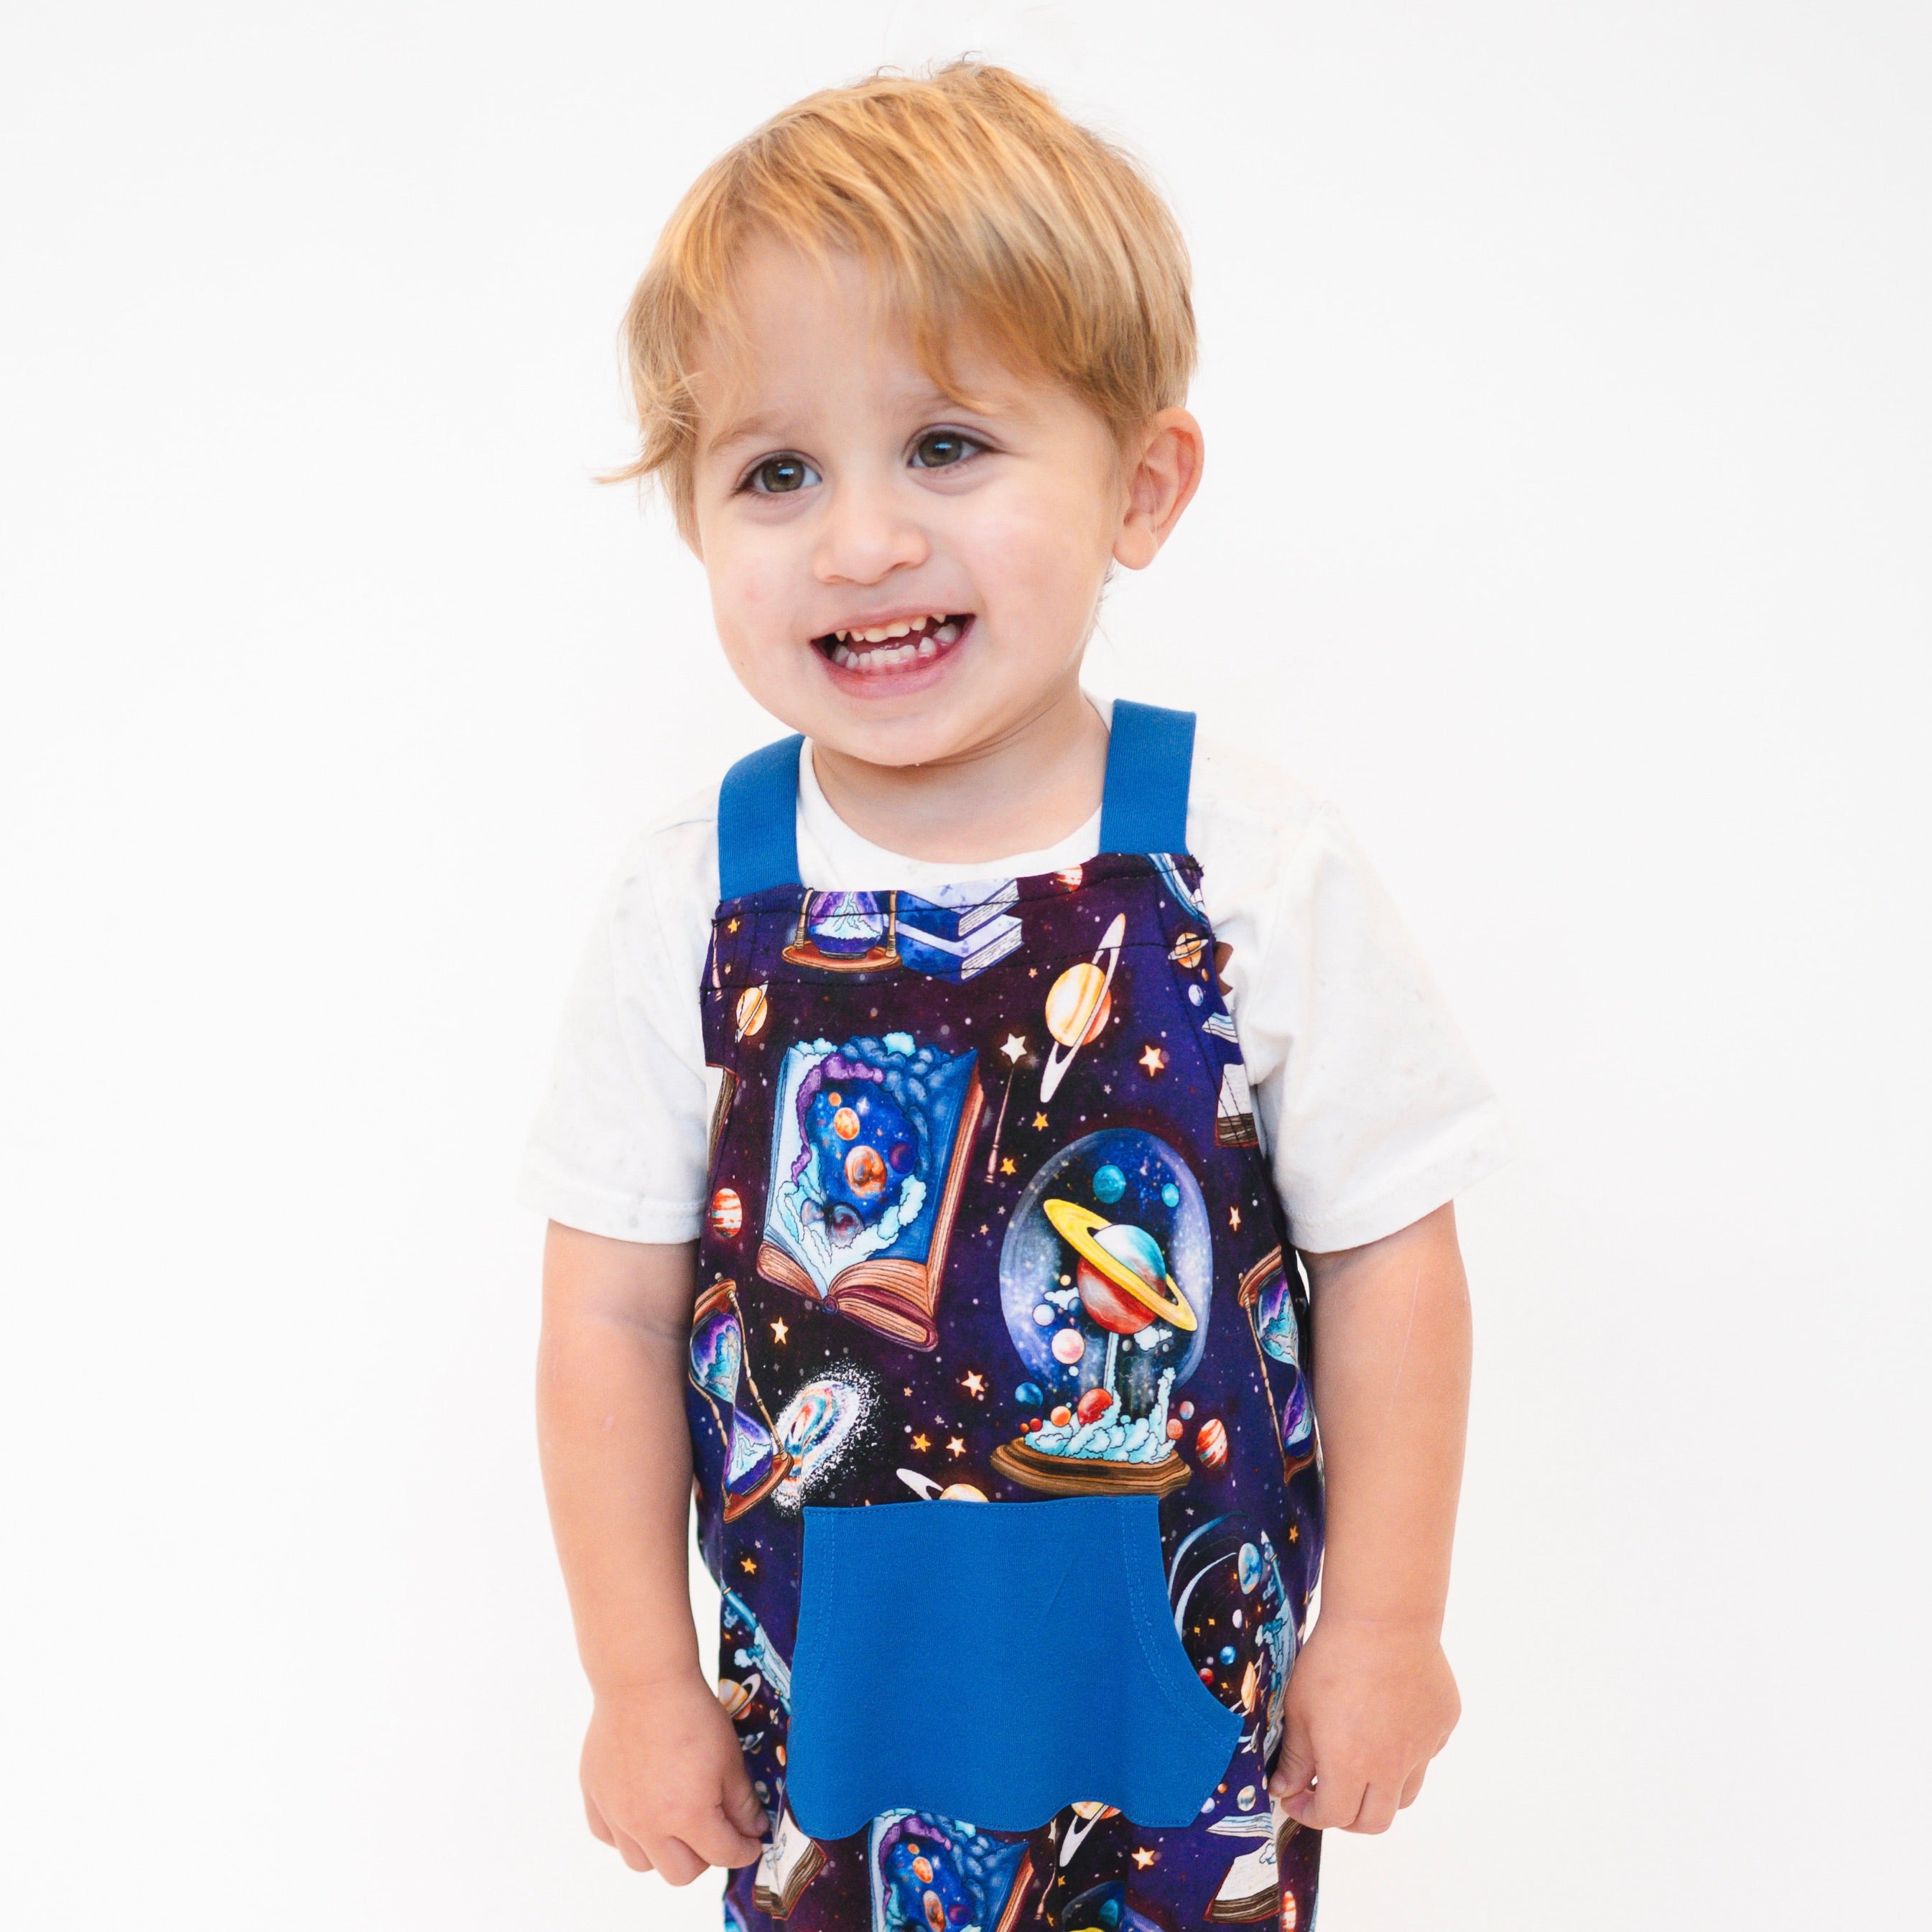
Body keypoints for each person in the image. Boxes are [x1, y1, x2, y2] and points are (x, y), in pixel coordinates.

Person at [522, 62, 1508, 1932]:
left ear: (1140, 483)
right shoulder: (695, 898)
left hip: (1179, 1701)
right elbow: (606, 1314)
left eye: (948, 446)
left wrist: (1386, 1619)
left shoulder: (1241, 858)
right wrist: (635, 1679)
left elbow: (1390, 1252)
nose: (862, 539)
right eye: (776, 470)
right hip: (828, 1728)